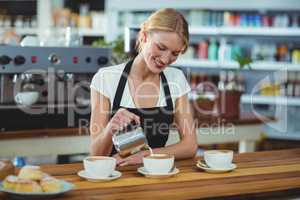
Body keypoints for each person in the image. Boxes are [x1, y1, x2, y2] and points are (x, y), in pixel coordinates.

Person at [89, 8, 197, 166]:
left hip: (157, 174)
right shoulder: (106, 78)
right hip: (116, 176)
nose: (166, 59)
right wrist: (111, 128)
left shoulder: (176, 78)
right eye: (161, 47)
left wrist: (148, 155)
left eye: (175, 53)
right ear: (144, 36)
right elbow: (96, 154)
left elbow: (190, 146)